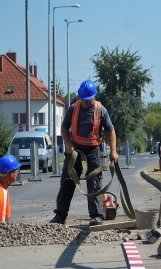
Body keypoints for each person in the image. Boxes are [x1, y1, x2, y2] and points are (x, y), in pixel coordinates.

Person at [50, 79, 119, 227]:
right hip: (75, 150)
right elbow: (64, 128)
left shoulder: (101, 110)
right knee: (67, 182)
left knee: (94, 183)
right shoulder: (73, 109)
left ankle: (96, 215)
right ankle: (60, 216)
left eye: (88, 100)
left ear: (94, 96)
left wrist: (113, 151)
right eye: (83, 99)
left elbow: (110, 130)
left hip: (94, 151)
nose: (85, 102)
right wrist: (68, 144)